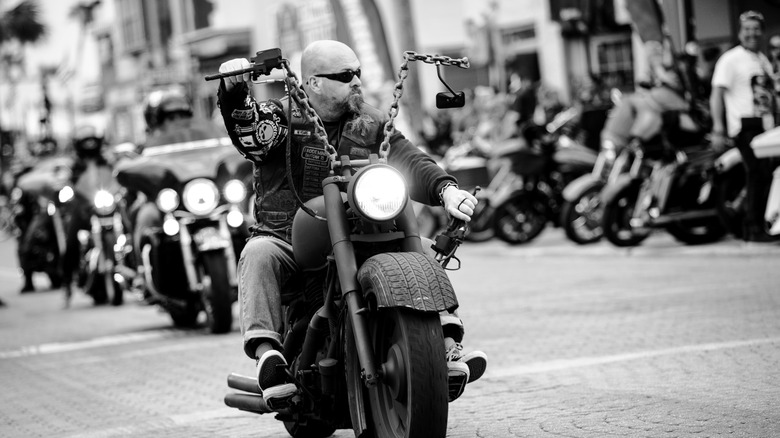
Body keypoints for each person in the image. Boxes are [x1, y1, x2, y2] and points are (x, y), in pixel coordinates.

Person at [216, 40, 487, 407]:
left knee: (421, 248)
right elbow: (249, 130)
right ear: (313, 83)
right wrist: (234, 94)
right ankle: (269, 358)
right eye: (345, 75)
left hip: (364, 236)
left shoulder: (373, 122)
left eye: (357, 71)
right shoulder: (280, 119)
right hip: (289, 239)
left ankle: (446, 345)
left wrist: (447, 190)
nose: (357, 80)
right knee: (258, 253)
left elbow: (411, 160)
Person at [709, 10, 777, 241]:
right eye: (747, 29)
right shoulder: (731, 59)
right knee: (757, 175)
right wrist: (718, 127)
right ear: (740, 32)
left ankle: (759, 223)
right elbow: (716, 94)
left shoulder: (762, 59)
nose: (752, 33)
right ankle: (753, 228)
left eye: (756, 29)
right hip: (746, 126)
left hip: (765, 126)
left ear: (762, 32)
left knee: (765, 175)